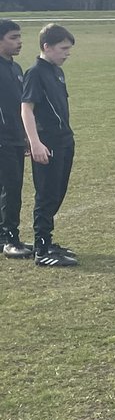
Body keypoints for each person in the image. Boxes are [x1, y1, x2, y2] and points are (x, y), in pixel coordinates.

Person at [20, 24, 79, 267]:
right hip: (47, 142)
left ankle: (47, 241)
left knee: (58, 191)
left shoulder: (57, 71)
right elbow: (26, 109)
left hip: (65, 140)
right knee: (46, 194)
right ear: (47, 47)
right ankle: (41, 249)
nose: (67, 53)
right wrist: (35, 143)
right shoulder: (35, 73)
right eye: (63, 48)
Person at [0, 20, 32, 259]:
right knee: (10, 190)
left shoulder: (16, 69)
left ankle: (4, 236)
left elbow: (20, 108)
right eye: (13, 37)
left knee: (11, 189)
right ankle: (11, 238)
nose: (19, 41)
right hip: (3, 140)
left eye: (19, 37)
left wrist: (28, 136)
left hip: (15, 139)